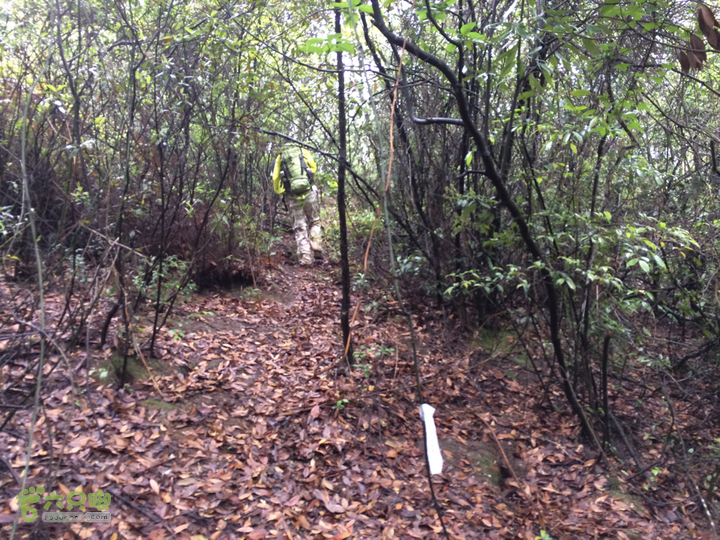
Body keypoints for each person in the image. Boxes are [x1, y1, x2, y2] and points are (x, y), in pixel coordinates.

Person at [272, 143, 324, 266]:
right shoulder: (303, 151)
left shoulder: (280, 157)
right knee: (314, 221)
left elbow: (275, 178)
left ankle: (306, 259)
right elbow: (313, 168)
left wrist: (282, 191)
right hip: (309, 191)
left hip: (292, 195)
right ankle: (316, 244)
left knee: (299, 227)